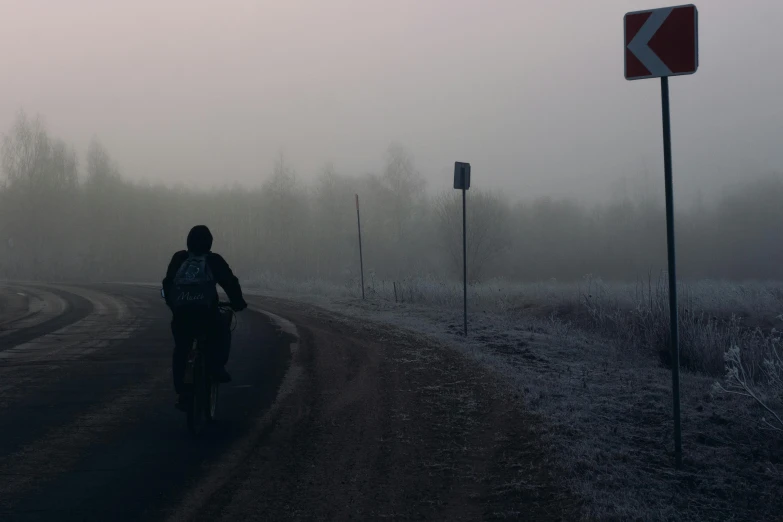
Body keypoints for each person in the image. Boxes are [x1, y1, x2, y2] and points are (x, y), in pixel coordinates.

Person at [162, 225, 247, 410]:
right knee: (222, 331)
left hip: (182, 316)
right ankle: (216, 367)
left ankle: (183, 392)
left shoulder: (179, 258)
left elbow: (167, 284)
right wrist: (238, 303)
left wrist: (174, 305)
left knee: (182, 349)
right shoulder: (213, 260)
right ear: (209, 243)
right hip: (206, 315)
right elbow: (230, 282)